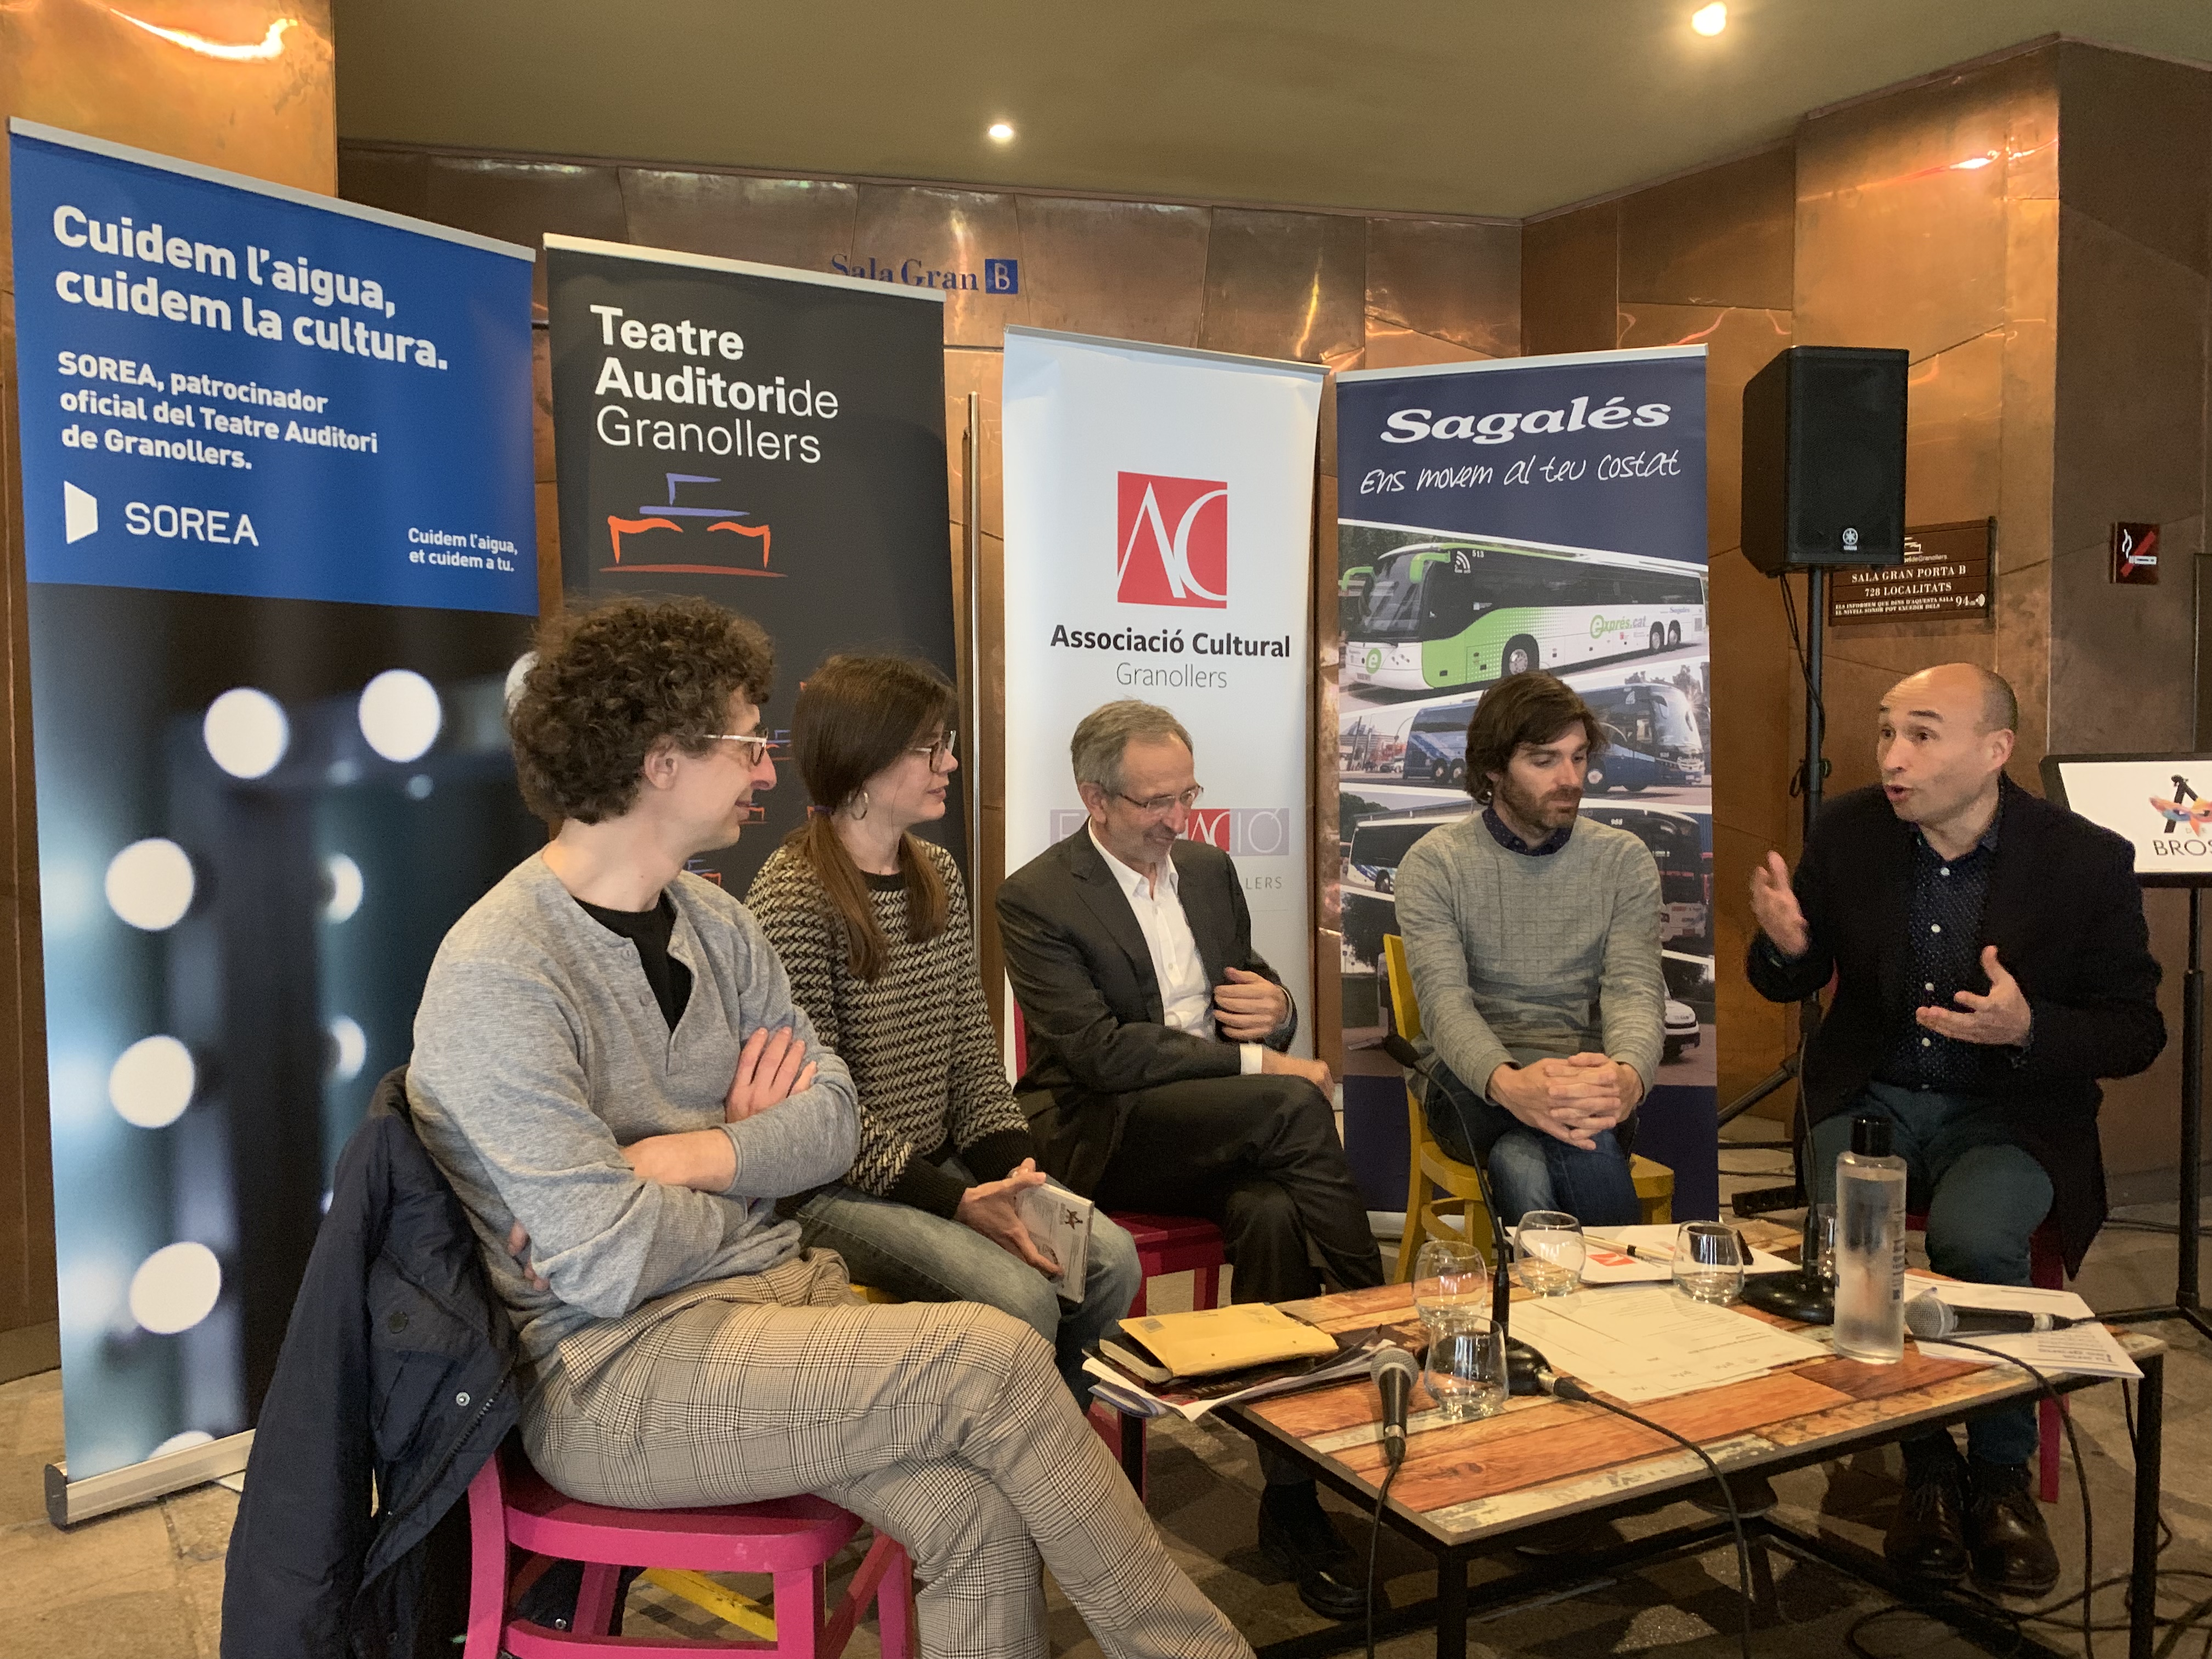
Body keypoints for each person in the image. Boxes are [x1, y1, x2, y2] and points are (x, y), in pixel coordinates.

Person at [407, 599, 1251, 1659]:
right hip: (612, 1376)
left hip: (767, 1306)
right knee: (990, 1351)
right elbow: (607, 1259)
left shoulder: (715, 922)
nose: (767, 770)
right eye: (745, 741)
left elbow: (833, 1117)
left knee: (975, 1515)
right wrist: (749, 1170)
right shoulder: (502, 969)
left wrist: (696, 1154)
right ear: (660, 758)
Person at [1747, 662, 2163, 1599]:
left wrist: (2030, 1029)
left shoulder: (2082, 859)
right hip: (1873, 1096)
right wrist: (1784, 946)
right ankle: (1927, 1466)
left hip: (2008, 1110)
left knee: (1977, 1237)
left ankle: (2000, 1473)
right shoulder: (1850, 830)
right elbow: (1788, 978)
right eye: (1887, 731)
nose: (1893, 757)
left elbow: (2137, 1029)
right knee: (1866, 1242)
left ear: (1994, 749)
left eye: (1922, 734)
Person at [996, 698, 1385, 1623]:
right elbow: (1098, 1053)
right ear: (1093, 797)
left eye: (1187, 793)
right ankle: (1375, 1316)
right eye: (1153, 801)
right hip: (1105, 1132)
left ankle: (1291, 1503)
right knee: (1292, 1101)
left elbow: (1247, 994)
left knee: (1275, 1212)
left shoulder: (1207, 869)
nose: (1178, 818)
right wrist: (1263, 1062)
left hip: (1220, 1126)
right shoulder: (1038, 895)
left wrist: (1277, 1011)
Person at [746, 653, 1142, 1402]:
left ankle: (1043, 1447)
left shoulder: (938, 873)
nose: (950, 762)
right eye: (929, 747)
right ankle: (1026, 1464)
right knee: (1021, 1301)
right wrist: (958, 1201)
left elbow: (970, 1052)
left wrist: (1017, 1171)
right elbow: (817, 1113)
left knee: (1110, 1261)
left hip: (941, 1170)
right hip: (831, 1194)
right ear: (865, 757)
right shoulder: (794, 895)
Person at [1393, 671, 1665, 1228]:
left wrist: (1629, 1075)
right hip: (1471, 1082)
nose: (1571, 778)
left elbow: (1635, 989)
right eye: (1544, 761)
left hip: (1584, 1078)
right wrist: (1513, 1084)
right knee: (1565, 1134)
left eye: (1578, 757)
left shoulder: (1623, 859)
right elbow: (1445, 1004)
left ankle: (1546, 1304)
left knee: (1522, 1161)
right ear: (1493, 769)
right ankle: (1628, 1294)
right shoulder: (1436, 862)